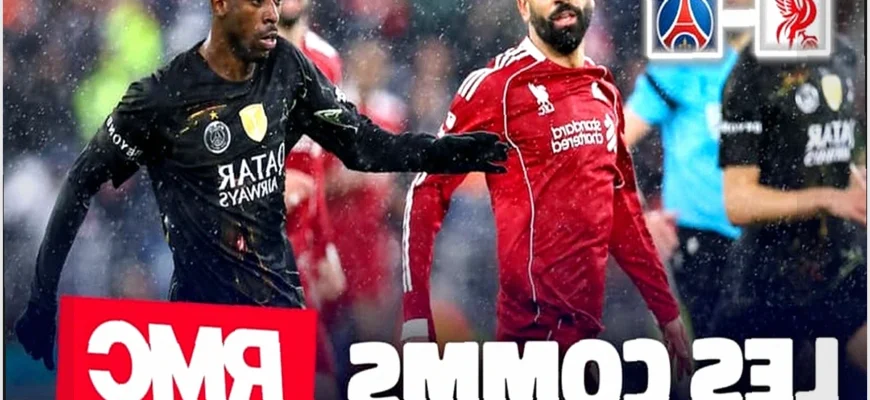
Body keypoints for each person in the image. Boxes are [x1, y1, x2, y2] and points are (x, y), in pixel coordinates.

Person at [14, 0, 508, 371]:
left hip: (282, 298)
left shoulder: (291, 71)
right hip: (213, 321)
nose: (272, 12)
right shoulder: (163, 97)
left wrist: (447, 151)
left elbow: (364, 145)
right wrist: (41, 301)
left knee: (323, 380)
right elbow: (80, 183)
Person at [401, 0, 692, 377]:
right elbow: (426, 190)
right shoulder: (497, 86)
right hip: (531, 342)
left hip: (587, 340)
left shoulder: (602, 88)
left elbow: (620, 204)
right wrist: (415, 317)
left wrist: (665, 311)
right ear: (523, 7)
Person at [716, 34, 866, 397]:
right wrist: (826, 199)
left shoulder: (844, 54)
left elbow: (848, 158)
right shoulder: (753, 69)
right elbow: (738, 203)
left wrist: (857, 180)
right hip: (770, 286)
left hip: (842, 271)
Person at [623, 25, 753, 338]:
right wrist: (638, 218)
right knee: (727, 356)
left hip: (773, 236)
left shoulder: (784, 58)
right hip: (705, 241)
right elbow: (610, 146)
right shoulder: (685, 60)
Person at [277, 0, 345, 398]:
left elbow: (316, 166)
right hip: (247, 249)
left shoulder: (327, 62)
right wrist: (271, 183)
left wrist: (325, 246)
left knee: (319, 381)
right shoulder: (236, 59)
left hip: (298, 247)